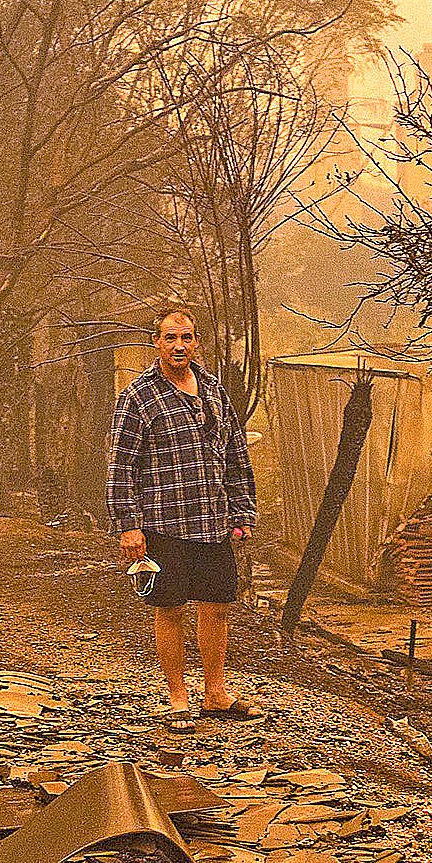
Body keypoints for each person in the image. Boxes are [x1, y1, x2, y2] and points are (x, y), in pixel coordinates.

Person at [106, 309, 261, 728]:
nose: (179, 346)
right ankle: (177, 698)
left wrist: (242, 511)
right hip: (162, 524)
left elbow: (235, 455)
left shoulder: (213, 390)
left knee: (217, 606)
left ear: (196, 343)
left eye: (187, 338)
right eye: (170, 338)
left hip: (213, 520)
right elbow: (121, 465)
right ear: (155, 342)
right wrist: (129, 525)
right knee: (170, 608)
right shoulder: (138, 397)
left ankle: (215, 693)